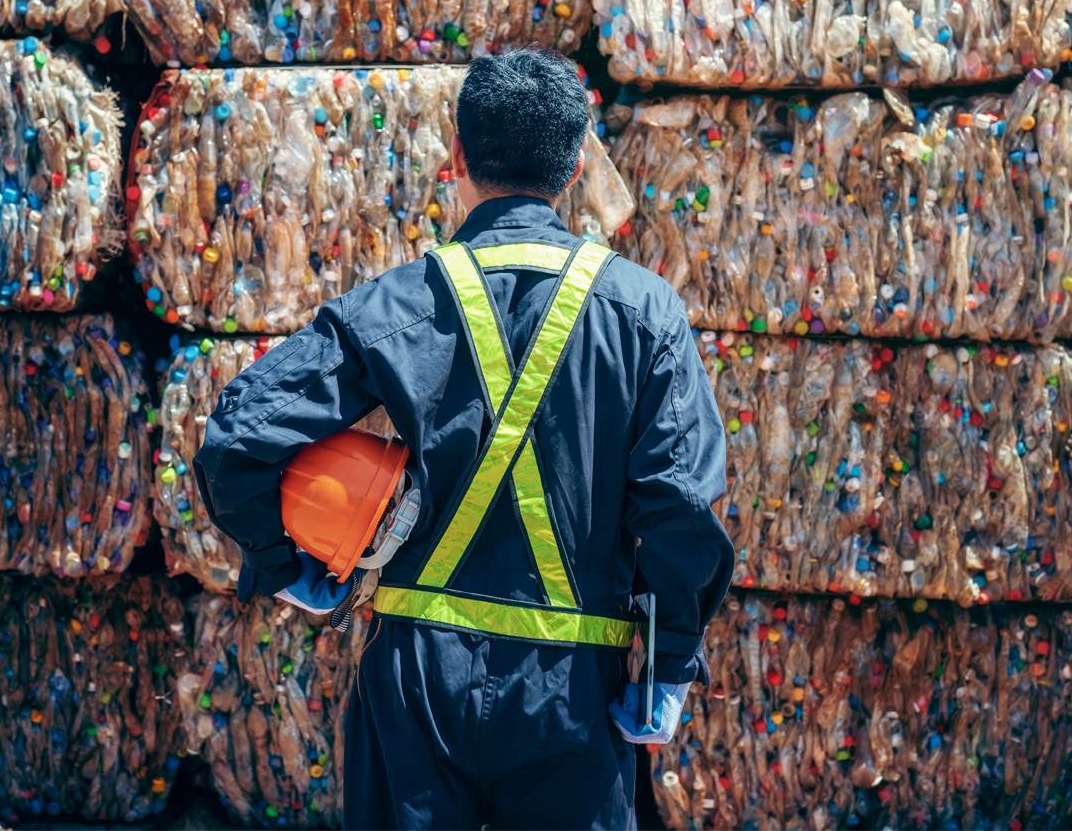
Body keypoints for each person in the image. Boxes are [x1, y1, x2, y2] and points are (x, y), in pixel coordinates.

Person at [192, 47, 732, 830]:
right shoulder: (645, 315)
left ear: (456, 157)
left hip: (415, 684)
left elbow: (236, 438)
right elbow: (681, 507)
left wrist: (286, 565)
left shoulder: (397, 304)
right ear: (577, 164)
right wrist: (670, 665)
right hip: (572, 693)